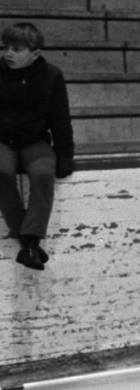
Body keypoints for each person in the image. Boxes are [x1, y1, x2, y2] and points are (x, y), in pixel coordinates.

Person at [0, 22, 73, 271]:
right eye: (6, 48)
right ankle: (29, 244)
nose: (8, 54)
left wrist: (65, 156)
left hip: (35, 140)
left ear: (35, 53)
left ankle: (30, 243)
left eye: (17, 49)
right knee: (1, 172)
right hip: (2, 139)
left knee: (43, 174)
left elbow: (60, 118)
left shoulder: (52, 76)